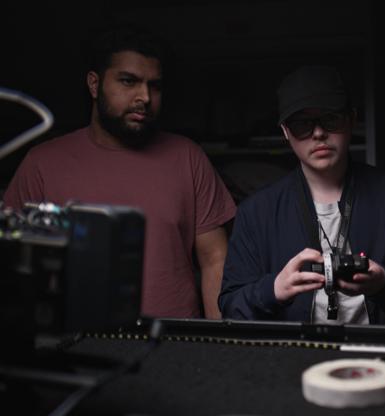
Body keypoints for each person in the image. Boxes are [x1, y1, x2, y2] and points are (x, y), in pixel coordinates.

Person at [2, 27, 236, 319]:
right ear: (93, 84)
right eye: (129, 81)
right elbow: (12, 263)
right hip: (73, 343)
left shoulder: (188, 157)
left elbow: (215, 258)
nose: (145, 97)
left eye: (155, 86)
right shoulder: (42, 162)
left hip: (173, 343)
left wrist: (218, 342)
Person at [219, 65, 385, 324]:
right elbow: (231, 307)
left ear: (352, 119)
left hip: (379, 350)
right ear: (285, 132)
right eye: (302, 124)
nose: (319, 133)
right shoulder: (257, 212)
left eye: (331, 119)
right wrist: (274, 290)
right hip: (293, 354)